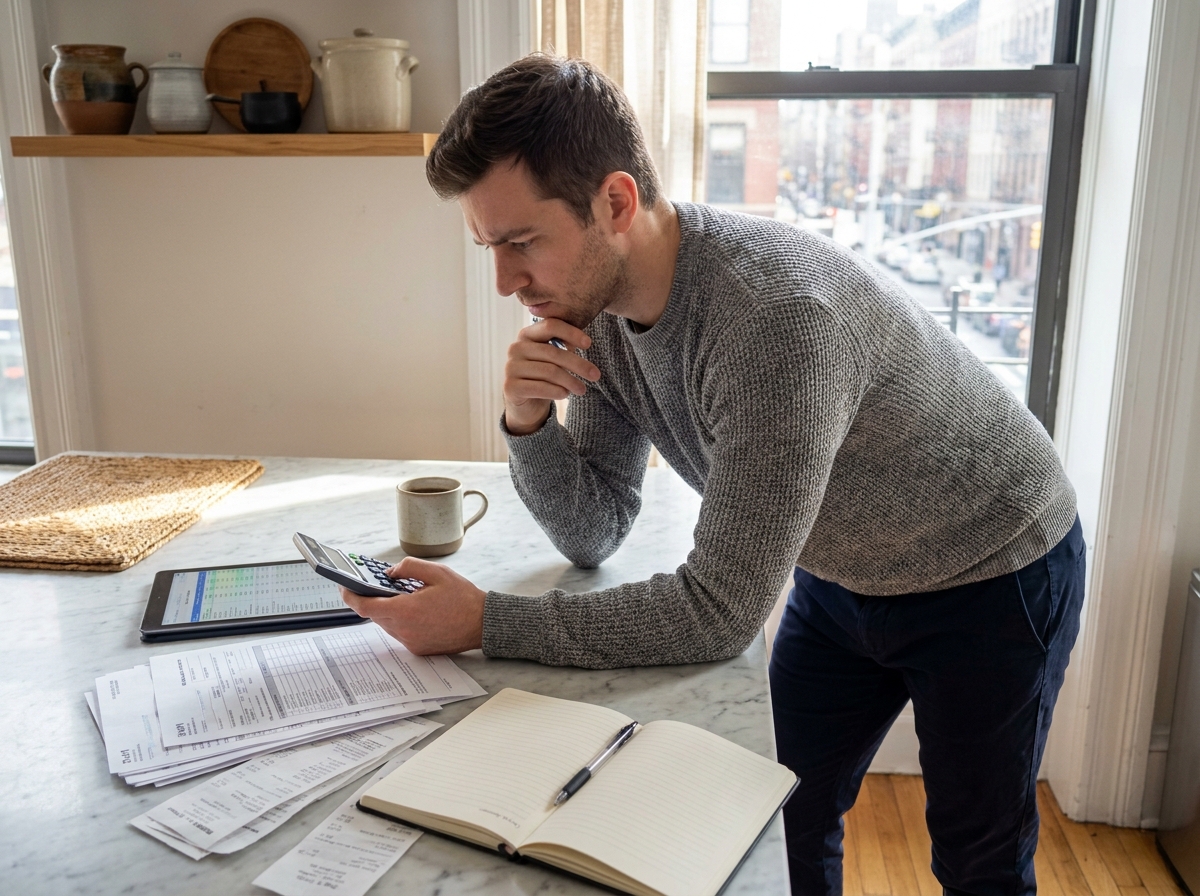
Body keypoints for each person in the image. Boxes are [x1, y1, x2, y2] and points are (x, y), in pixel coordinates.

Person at [339, 54, 1084, 896]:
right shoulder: (598, 312)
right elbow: (593, 532)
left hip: (994, 568)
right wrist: (528, 420)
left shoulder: (775, 320)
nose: (508, 282)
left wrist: (485, 620)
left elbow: (719, 612)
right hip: (841, 571)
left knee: (979, 861)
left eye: (521, 243)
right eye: (490, 248)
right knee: (781, 815)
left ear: (615, 203)